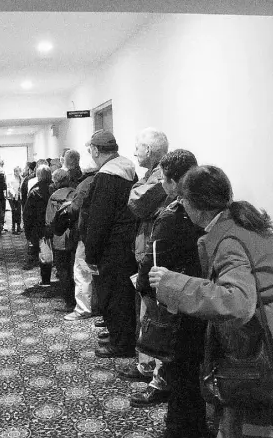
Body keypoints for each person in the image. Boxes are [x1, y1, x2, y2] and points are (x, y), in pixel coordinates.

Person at [149, 165, 273, 438]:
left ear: (198, 205)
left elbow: (237, 302)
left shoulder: (228, 239)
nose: (181, 206)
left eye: (183, 201)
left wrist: (173, 284)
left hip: (270, 335)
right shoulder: (240, 221)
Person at [135, 150, 208, 438]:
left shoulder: (175, 216)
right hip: (203, 297)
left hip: (181, 302)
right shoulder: (212, 210)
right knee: (192, 374)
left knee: (183, 375)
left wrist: (143, 287)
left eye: (164, 180)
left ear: (177, 182)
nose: (162, 186)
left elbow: (154, 263)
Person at [124, 127, 170, 405]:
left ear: (150, 151)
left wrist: (138, 190)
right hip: (147, 250)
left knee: (155, 317)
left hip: (157, 255)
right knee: (147, 314)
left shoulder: (162, 176)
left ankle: (156, 376)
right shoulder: (151, 176)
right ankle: (148, 367)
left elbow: (137, 203)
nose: (135, 153)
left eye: (138, 148)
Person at [84, 130, 138, 358]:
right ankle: (120, 335)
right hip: (127, 243)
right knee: (123, 295)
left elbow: (99, 220)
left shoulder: (107, 176)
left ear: (96, 150)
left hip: (110, 247)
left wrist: (91, 253)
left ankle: (120, 343)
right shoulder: (128, 170)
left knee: (114, 297)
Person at [53, 160, 99, 321]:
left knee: (81, 271)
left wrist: (68, 208)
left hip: (85, 233)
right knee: (95, 272)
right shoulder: (106, 179)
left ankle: (83, 309)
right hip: (100, 232)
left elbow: (76, 208)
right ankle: (96, 306)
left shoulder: (86, 184)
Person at [45, 168, 77, 309]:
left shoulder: (53, 197)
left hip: (59, 237)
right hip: (74, 236)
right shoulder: (75, 193)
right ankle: (79, 300)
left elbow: (49, 219)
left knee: (63, 270)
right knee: (75, 269)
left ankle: (68, 300)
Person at [23, 164, 53, 286]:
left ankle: (46, 280)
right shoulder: (55, 189)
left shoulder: (34, 192)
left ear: (38, 176)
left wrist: (28, 232)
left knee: (44, 254)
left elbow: (28, 214)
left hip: (40, 228)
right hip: (56, 226)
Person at [7, 166, 22, 234]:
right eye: (16, 171)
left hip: (18, 197)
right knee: (14, 212)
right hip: (12, 198)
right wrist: (13, 194)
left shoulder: (21, 179)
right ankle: (13, 227)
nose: (17, 172)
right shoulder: (11, 179)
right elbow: (9, 187)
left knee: (18, 212)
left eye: (18, 171)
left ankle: (18, 227)